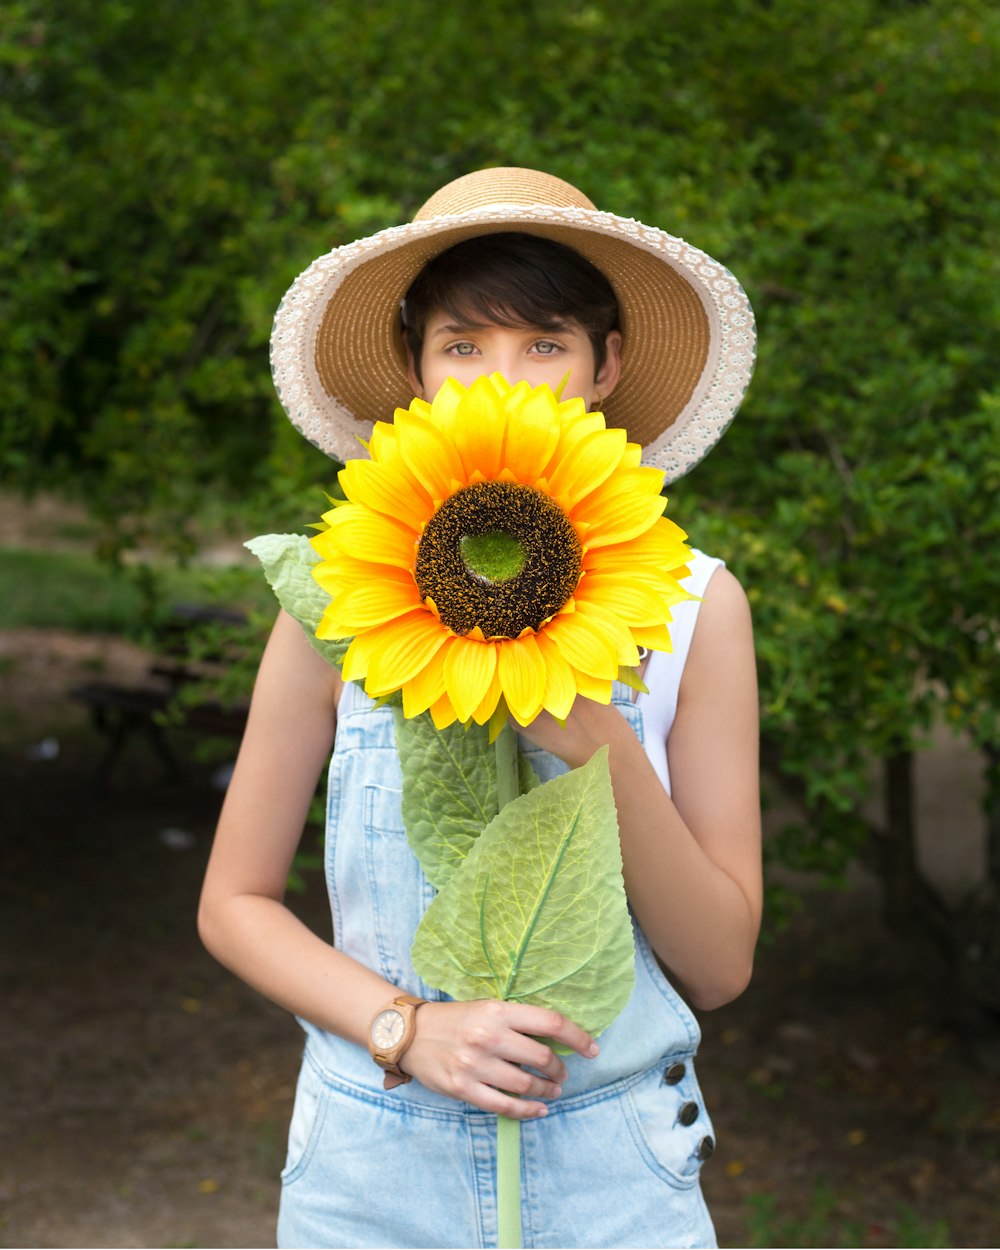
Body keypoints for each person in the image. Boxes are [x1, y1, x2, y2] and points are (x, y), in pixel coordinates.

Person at [199, 167, 761, 1249]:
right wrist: (406, 1026)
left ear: (608, 365)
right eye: (463, 346)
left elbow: (721, 962)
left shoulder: (694, 602)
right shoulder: (340, 586)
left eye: (543, 343)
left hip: (616, 1175)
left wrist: (597, 739)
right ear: (415, 371)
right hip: (369, 1166)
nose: (503, 380)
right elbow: (233, 900)